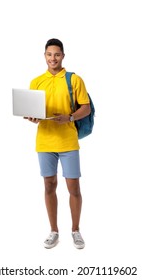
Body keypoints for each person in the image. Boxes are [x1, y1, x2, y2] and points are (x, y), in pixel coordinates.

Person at [25, 38, 90, 249]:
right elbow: (33, 111)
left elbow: (86, 108)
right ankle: (54, 231)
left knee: (74, 188)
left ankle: (76, 230)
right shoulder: (36, 82)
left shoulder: (74, 80)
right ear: (44, 56)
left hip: (68, 141)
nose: (53, 58)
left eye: (57, 54)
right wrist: (32, 117)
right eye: (49, 54)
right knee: (49, 185)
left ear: (63, 56)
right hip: (45, 142)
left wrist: (70, 117)